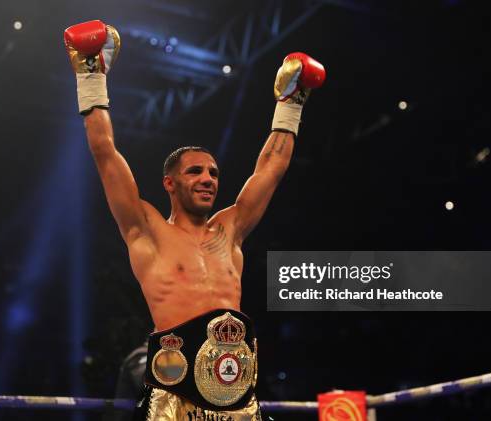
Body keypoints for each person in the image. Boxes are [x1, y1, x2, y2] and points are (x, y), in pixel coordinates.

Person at [64, 19, 325, 421]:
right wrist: (90, 75)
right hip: (176, 394)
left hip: (237, 392)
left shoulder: (230, 230)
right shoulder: (146, 230)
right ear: (169, 183)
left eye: (214, 173)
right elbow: (104, 151)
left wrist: (292, 102)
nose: (207, 179)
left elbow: (271, 168)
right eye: (195, 172)